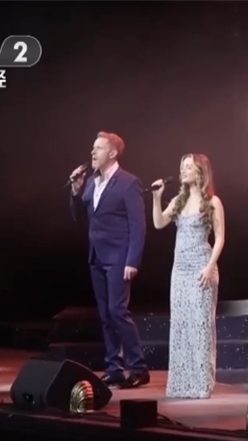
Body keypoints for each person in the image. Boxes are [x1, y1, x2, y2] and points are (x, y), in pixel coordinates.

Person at [69, 131, 149, 388]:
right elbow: (81, 217)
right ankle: (113, 367)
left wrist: (132, 260)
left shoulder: (129, 182)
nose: (92, 152)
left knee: (117, 311)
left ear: (113, 153)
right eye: (93, 148)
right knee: (105, 315)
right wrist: (75, 191)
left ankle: (138, 368)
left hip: (119, 257)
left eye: (99, 148)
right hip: (96, 255)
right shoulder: (92, 182)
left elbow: (138, 225)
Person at [150, 153, 225, 399]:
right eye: (182, 167)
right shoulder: (178, 201)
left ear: (200, 172)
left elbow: (220, 238)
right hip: (180, 269)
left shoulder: (213, 202)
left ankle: (202, 384)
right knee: (181, 325)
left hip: (202, 267)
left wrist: (210, 267)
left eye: (188, 167)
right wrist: (156, 198)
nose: (183, 171)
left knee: (201, 325)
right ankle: (182, 383)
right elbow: (159, 223)